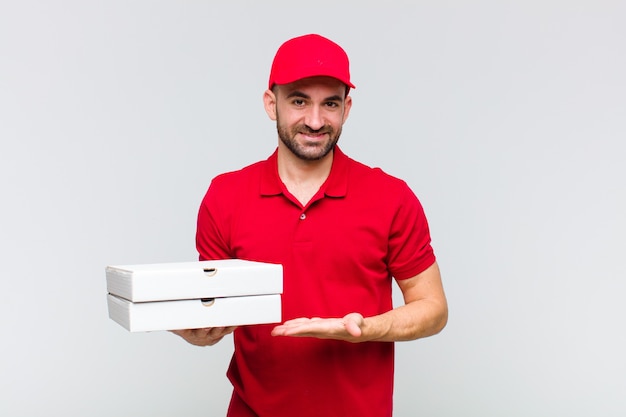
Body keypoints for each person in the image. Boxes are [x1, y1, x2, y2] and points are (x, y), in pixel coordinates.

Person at [172, 33, 448, 417]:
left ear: (347, 108)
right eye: (299, 101)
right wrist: (197, 331)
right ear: (272, 104)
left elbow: (433, 308)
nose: (315, 120)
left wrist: (367, 328)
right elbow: (216, 311)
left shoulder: (391, 197)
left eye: (330, 104)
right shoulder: (225, 196)